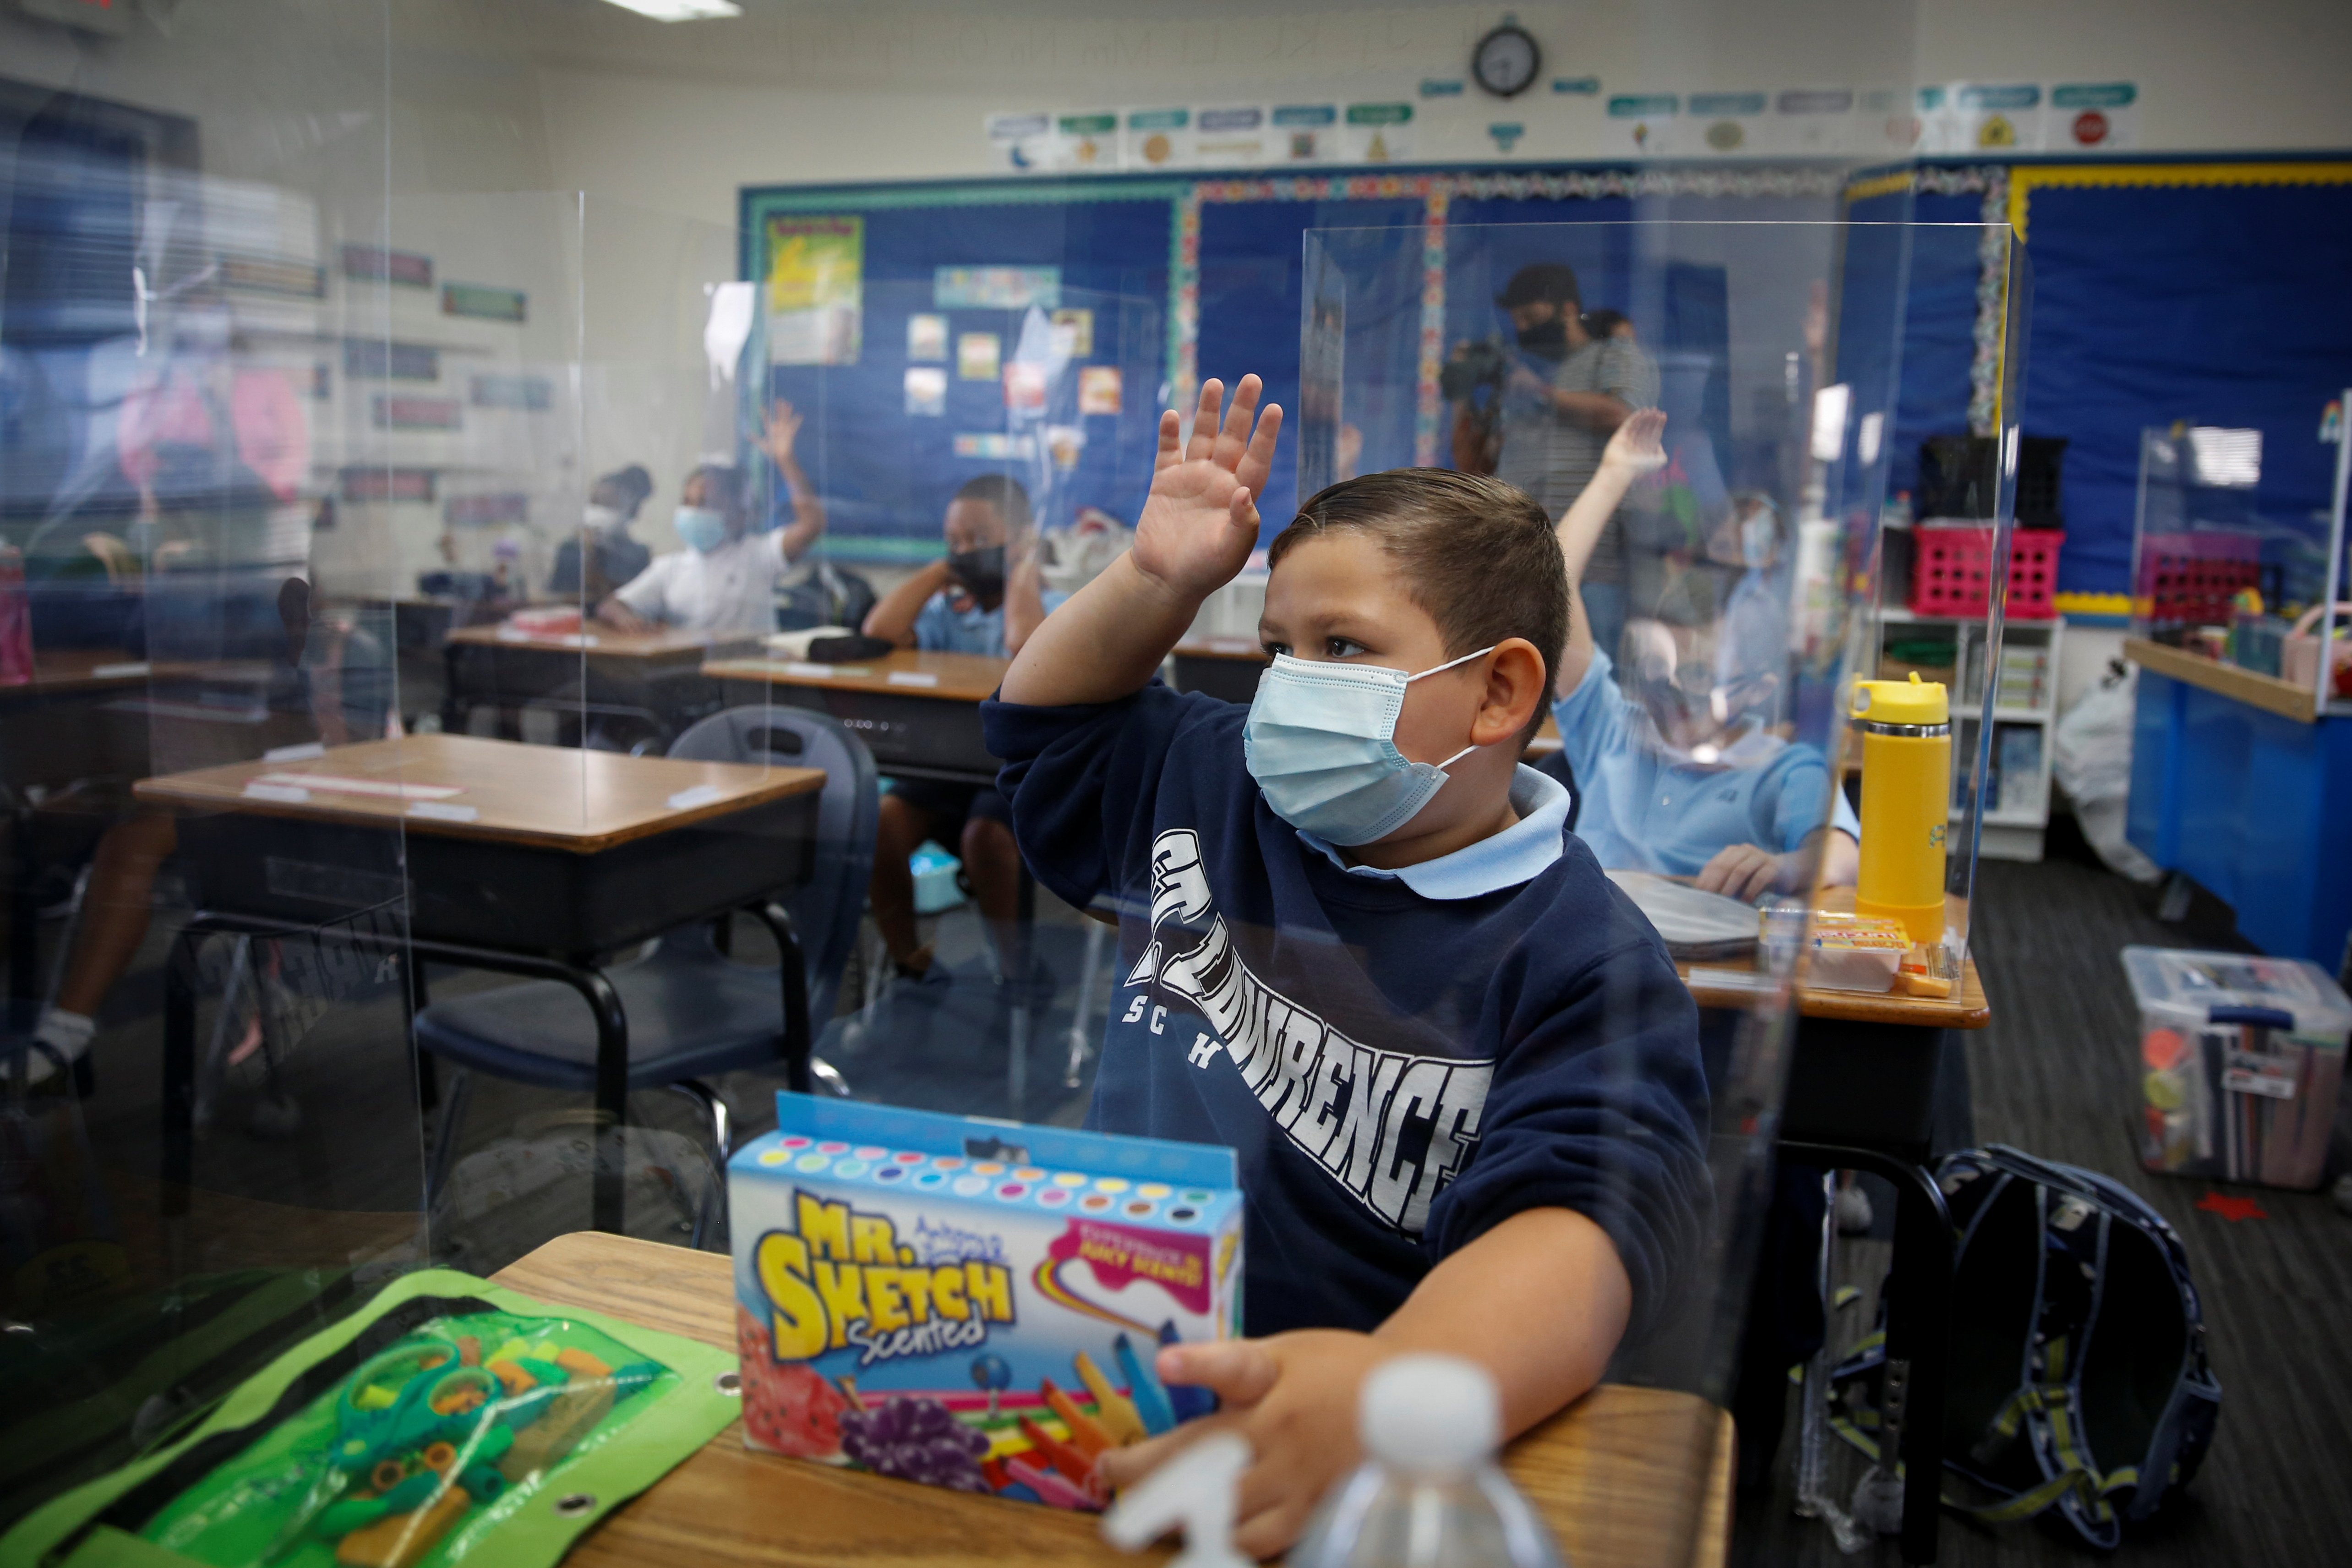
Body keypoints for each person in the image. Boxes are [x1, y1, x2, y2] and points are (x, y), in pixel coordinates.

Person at [985, 376, 1708, 1554]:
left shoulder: (1581, 953)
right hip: (1102, 1374)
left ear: (1498, 690)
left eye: (1341, 647)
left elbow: (1583, 1220)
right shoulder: (1211, 781)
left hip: (1346, 1455)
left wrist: (1390, 1398)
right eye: (1278, 648)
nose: (1287, 686)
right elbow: (1038, 729)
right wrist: (1157, 581)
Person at [1550, 410, 1859, 899]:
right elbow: (1550, 589)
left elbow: (1840, 857)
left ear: (1758, 689)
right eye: (1654, 671)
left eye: (1697, 677)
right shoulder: (1613, 729)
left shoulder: (1783, 770)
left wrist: (1781, 867)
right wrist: (1613, 476)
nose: (1669, 693)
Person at [859, 474, 1062, 993]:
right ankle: (909, 959)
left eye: (978, 538)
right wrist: (942, 570)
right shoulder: (947, 611)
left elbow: (1024, 642)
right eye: (954, 541)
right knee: (883, 821)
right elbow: (879, 632)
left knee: (984, 836)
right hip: (949, 766)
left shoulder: (1057, 606)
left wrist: (1021, 569)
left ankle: (1016, 973)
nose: (966, 551)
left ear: (1019, 537)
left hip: (1014, 773)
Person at [1451, 262, 1658, 666]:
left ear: (1566, 310)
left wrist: (1543, 393)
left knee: (1587, 682)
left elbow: (1625, 416)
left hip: (1592, 567)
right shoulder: (1521, 374)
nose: (1524, 329)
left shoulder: (1610, 356)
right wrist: (1463, 393)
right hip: (1517, 565)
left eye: (1531, 317)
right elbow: (1473, 465)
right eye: (1517, 321)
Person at [595, 401, 824, 637]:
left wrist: (785, 460)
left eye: (704, 503)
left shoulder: (757, 556)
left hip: (749, 668)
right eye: (687, 502)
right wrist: (626, 619)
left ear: (738, 514)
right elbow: (611, 606)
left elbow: (811, 525)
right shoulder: (671, 568)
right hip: (691, 670)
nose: (692, 512)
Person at [547, 464, 653, 601]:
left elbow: (638, 600)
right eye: (595, 502)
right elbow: (559, 598)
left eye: (609, 503)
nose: (598, 510)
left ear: (631, 511)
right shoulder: (570, 550)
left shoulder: (638, 555)